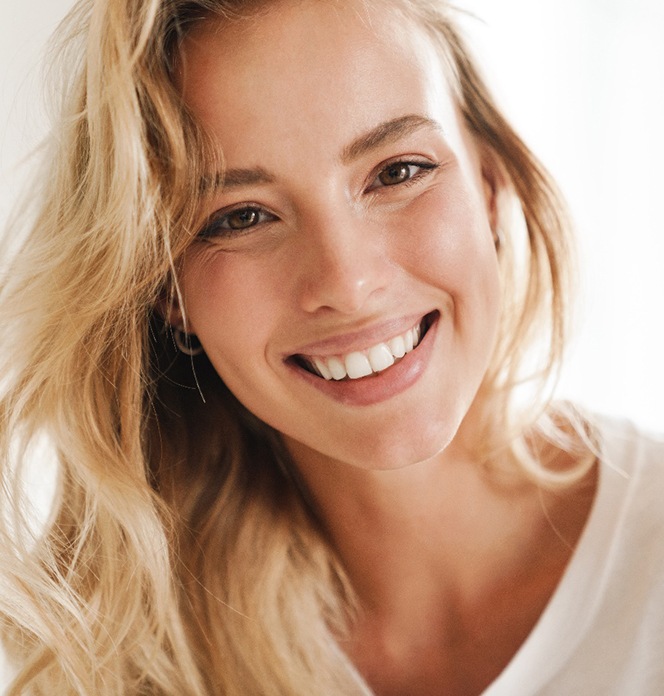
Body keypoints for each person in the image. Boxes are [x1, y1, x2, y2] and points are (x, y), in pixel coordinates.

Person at [0, 0, 662, 694]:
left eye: (397, 171)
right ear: (166, 285)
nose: (347, 283)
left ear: (490, 183)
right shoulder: (110, 662)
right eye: (243, 216)